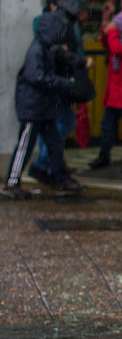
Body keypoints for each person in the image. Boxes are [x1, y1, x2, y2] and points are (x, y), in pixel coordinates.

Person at [1, 12, 85, 199]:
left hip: (42, 106)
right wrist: (63, 82)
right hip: (33, 107)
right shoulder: (38, 50)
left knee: (54, 143)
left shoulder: (45, 48)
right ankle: (11, 182)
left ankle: (60, 178)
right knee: (26, 145)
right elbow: (37, 77)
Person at [29, 0, 92, 185]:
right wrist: (79, 64)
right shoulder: (51, 24)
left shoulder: (57, 22)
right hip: (56, 84)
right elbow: (59, 53)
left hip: (59, 83)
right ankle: (44, 166)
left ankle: (52, 168)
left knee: (58, 127)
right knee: (60, 125)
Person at [88, 6, 122, 174]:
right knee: (107, 125)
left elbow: (117, 50)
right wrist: (105, 33)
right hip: (115, 91)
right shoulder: (117, 39)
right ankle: (104, 155)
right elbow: (109, 45)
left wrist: (111, 33)